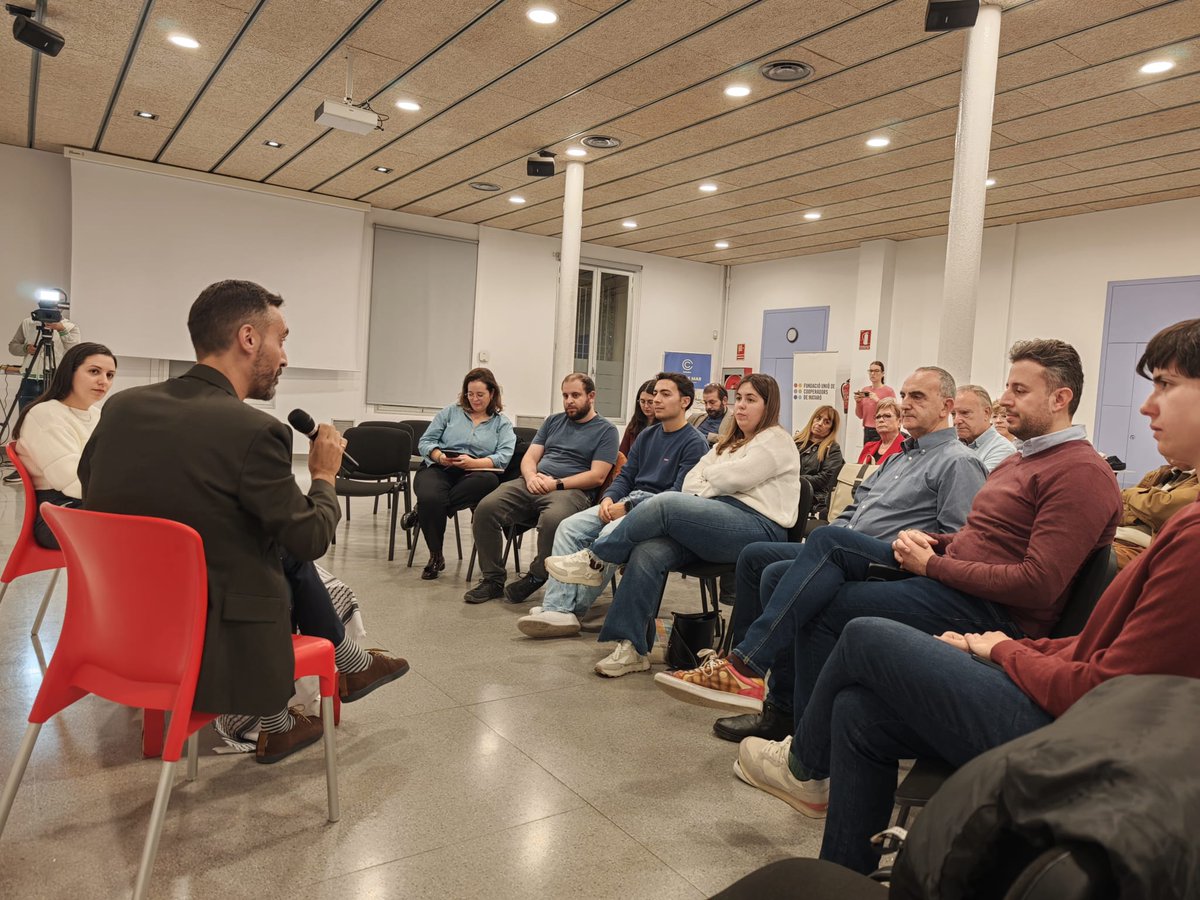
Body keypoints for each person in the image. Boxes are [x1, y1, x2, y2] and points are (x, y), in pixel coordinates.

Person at [736, 318, 1200, 875]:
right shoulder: (1024, 462)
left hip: (1056, 702)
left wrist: (1003, 645)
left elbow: (1072, 631)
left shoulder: (1084, 475)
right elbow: (1004, 555)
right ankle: (844, 876)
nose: (1148, 406)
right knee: (856, 704)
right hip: (1000, 627)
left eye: (1165, 385)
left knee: (849, 618)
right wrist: (939, 545)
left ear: (1060, 398)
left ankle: (801, 756)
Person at [79, 280, 408, 764]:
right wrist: (323, 475)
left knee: (263, 542)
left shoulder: (123, 407)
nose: (285, 356)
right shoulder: (255, 430)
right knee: (287, 551)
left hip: (116, 628)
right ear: (249, 339)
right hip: (216, 650)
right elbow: (314, 537)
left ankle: (319, 692)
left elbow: (96, 489)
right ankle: (318, 688)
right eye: (283, 339)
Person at [657, 367, 989, 740]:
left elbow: (959, 539)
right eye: (905, 395)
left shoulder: (958, 461)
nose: (904, 403)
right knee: (759, 560)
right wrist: (833, 537)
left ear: (946, 406)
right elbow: (855, 509)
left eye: (917, 397)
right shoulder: (899, 458)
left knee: (826, 541)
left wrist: (893, 545)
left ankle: (746, 665)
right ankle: (773, 703)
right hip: (845, 551)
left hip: (892, 562)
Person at [547, 374, 801, 677]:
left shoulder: (776, 440)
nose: (741, 407)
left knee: (664, 503)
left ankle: (597, 559)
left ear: (769, 405)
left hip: (758, 527)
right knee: (648, 550)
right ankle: (632, 647)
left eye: (751, 400)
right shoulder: (729, 444)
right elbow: (695, 480)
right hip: (715, 518)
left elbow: (732, 479)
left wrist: (714, 478)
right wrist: (716, 479)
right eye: (740, 399)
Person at [516, 373, 709, 638]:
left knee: (609, 534)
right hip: (625, 500)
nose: (656, 399)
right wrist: (609, 497)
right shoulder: (647, 435)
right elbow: (626, 476)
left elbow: (675, 495)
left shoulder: (694, 443)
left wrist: (628, 508)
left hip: (659, 511)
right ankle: (558, 608)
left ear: (685, 401)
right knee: (568, 527)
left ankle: (572, 610)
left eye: (666, 394)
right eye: (656, 393)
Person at [465, 372, 619, 605]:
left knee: (553, 520)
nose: (569, 400)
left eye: (575, 395)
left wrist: (556, 483)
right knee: (485, 509)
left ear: (591, 396)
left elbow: (597, 477)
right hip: (534, 482)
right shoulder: (553, 421)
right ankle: (493, 579)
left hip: (571, 490)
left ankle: (538, 574)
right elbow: (530, 458)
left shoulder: (606, 430)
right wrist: (530, 477)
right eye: (565, 395)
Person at [410, 368, 515, 580]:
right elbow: (425, 442)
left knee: (486, 482)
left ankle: (422, 511)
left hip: (477, 471)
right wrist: (439, 456)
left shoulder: (501, 423)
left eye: (480, 395)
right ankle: (436, 556)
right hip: (442, 465)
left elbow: (503, 456)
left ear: (492, 394)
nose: (474, 399)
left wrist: (474, 463)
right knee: (431, 495)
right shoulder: (450, 412)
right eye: (470, 394)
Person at [10, 342, 116, 548]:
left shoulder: (97, 415)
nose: (103, 381)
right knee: (148, 524)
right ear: (70, 372)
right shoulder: (45, 414)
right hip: (56, 513)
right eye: (94, 371)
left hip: (86, 503)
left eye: (110, 375)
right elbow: (72, 483)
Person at [1112, 459, 1197, 569]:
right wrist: (1140, 509)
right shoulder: (1161, 473)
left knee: (1089, 560)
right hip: (1116, 538)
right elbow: (1119, 507)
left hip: (1139, 548)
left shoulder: (1196, 480)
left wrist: (1127, 493)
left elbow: (1160, 509)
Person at [8, 310, 81, 411]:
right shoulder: (27, 323)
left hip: (55, 380)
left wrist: (62, 330)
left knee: (51, 418)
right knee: (25, 418)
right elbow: (12, 346)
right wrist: (25, 349)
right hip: (29, 380)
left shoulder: (70, 327)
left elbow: (75, 350)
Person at [793, 405, 844, 518]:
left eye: (826, 422)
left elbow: (826, 478)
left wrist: (796, 480)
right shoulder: (795, 442)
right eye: (818, 418)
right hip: (790, 492)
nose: (820, 423)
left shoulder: (833, 448)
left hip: (813, 499)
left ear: (831, 429)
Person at [954, 383, 1017, 472]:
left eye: (965, 413)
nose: (956, 421)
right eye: (953, 414)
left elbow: (974, 484)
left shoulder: (1003, 450)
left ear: (986, 413)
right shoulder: (950, 445)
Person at [853, 361, 896, 443]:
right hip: (867, 430)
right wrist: (858, 402)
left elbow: (894, 412)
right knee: (867, 455)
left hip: (882, 429)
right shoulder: (865, 390)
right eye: (870, 371)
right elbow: (860, 415)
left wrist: (878, 401)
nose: (873, 373)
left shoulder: (888, 391)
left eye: (876, 371)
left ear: (882, 374)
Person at [856, 397, 903, 464]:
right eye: (878, 417)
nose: (881, 420)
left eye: (887, 416)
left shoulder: (906, 449)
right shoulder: (868, 447)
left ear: (899, 422)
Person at [620, 379, 656, 457]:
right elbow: (622, 454)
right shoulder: (634, 424)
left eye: (650, 402)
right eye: (642, 401)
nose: (646, 406)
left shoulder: (666, 425)